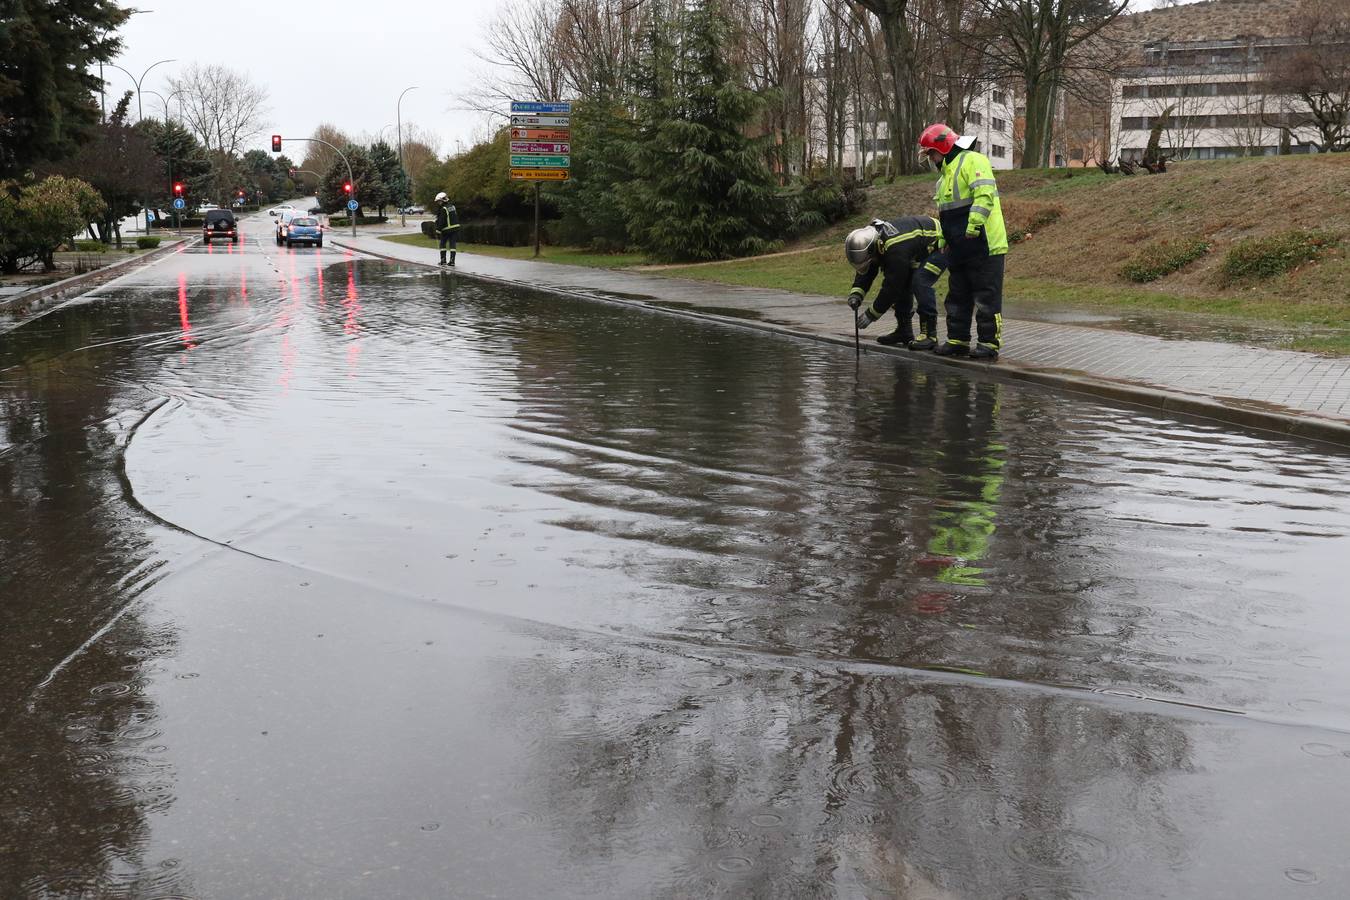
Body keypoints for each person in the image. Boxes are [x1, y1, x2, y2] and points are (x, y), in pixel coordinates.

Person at [918, 123, 1008, 361]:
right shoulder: (944, 178)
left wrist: (973, 226)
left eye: (931, 153)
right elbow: (945, 214)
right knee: (957, 295)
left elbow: (984, 195)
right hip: (959, 247)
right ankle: (958, 340)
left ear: (943, 148)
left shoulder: (973, 161)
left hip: (985, 244)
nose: (931, 159)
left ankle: (988, 344)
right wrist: (941, 239)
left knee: (986, 298)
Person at [843, 216, 947, 350]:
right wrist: (856, 294)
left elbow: (891, 288)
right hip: (916, 248)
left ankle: (930, 335)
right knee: (904, 285)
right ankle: (904, 331)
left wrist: (871, 314)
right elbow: (868, 269)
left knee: (920, 282)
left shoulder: (894, 248)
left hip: (940, 244)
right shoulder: (875, 242)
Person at [434, 192, 460, 267]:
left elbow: (442, 220)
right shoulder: (452, 206)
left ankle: (443, 260)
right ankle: (452, 261)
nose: (438, 203)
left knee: (442, 243)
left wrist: (438, 230)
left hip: (447, 229)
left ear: (443, 200)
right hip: (455, 228)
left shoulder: (444, 209)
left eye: (439, 201)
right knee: (453, 244)